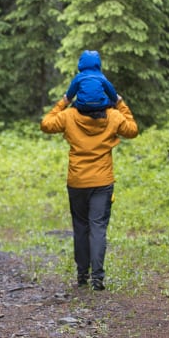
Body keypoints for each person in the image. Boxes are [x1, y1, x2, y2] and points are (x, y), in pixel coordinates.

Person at [40, 85, 138, 291]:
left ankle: (82, 274)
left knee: (81, 227)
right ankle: (98, 278)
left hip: (77, 182)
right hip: (102, 182)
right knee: (98, 228)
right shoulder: (113, 116)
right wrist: (120, 102)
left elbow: (46, 124)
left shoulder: (68, 115)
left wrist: (64, 100)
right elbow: (133, 130)